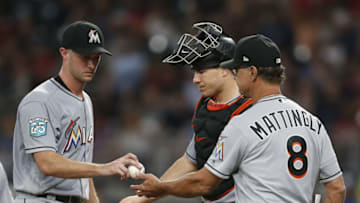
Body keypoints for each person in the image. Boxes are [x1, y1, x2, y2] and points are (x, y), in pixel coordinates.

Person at [130, 34, 346, 202]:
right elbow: (337, 188)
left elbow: (204, 184)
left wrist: (162, 187)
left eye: (237, 69)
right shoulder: (312, 122)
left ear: (252, 72)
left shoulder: (243, 123)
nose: (234, 74)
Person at [121, 22, 252, 203]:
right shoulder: (206, 105)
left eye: (202, 72)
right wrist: (145, 197)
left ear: (224, 70)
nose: (195, 79)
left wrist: (153, 193)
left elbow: (204, 183)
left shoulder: (252, 110)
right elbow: (190, 160)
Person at [12, 20, 142, 203]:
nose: (91, 64)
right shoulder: (39, 101)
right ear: (64, 53)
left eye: (95, 57)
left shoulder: (86, 101)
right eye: (84, 57)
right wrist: (105, 168)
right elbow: (47, 163)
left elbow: (82, 171)